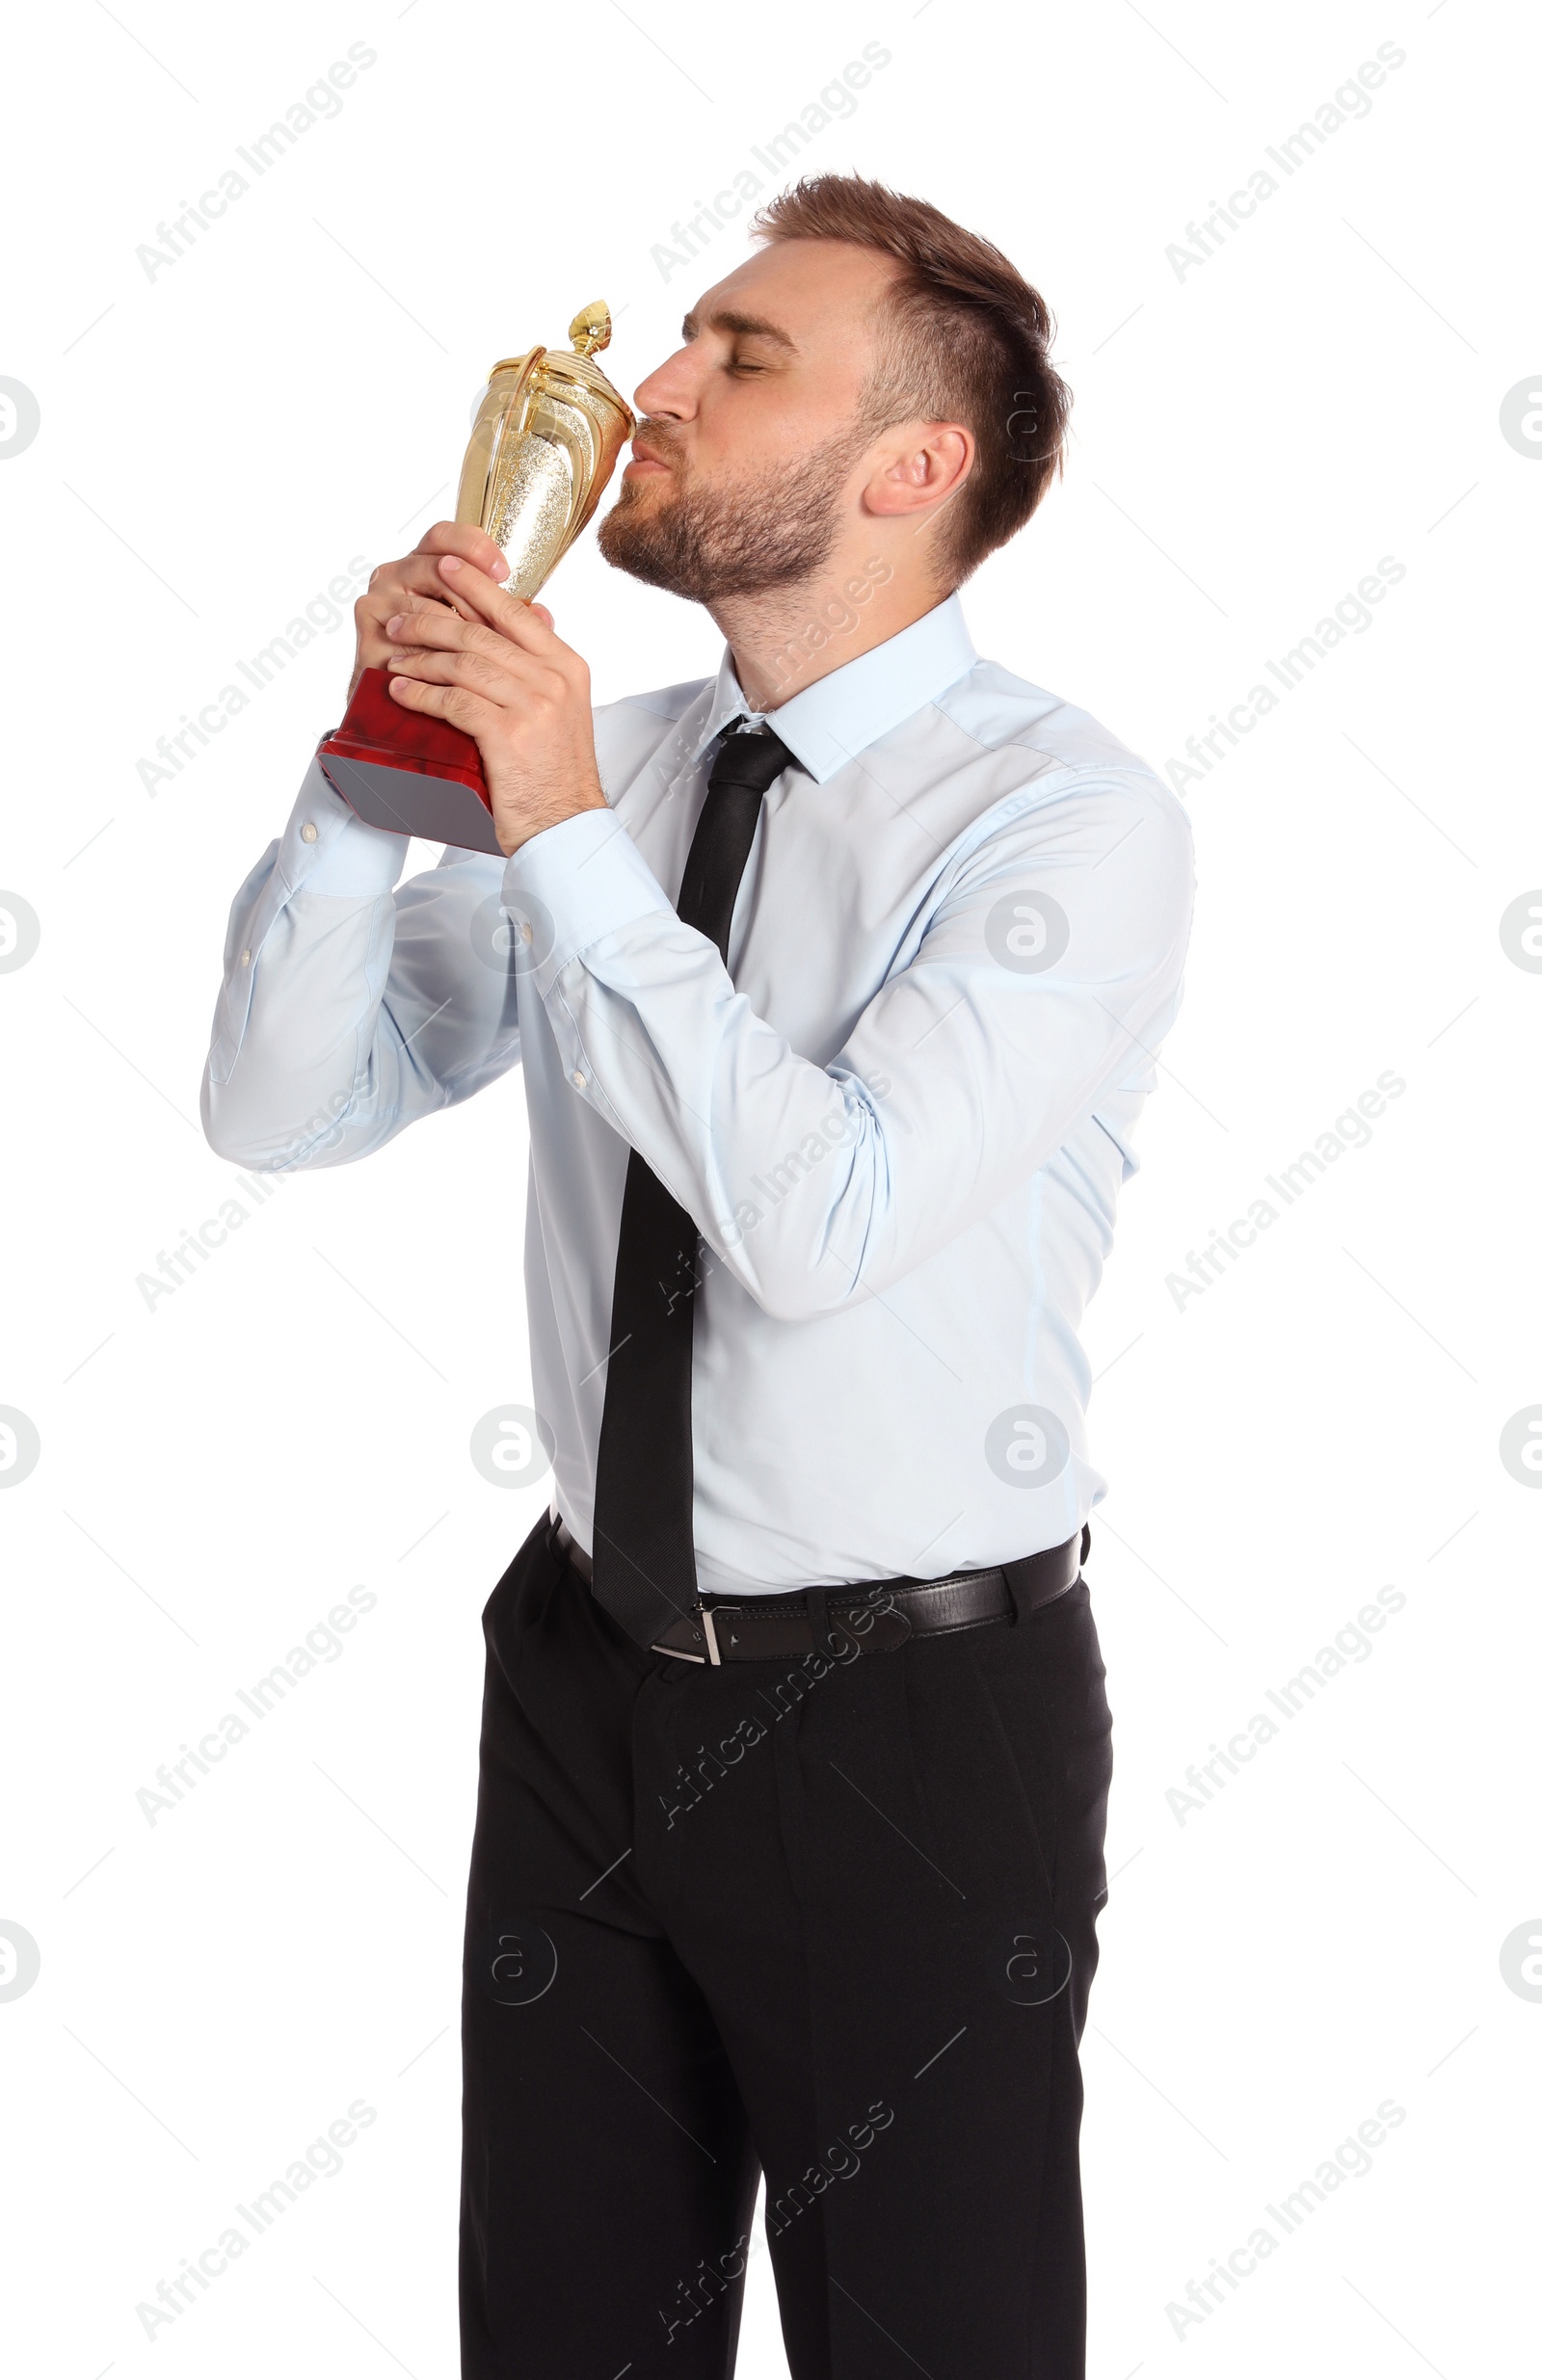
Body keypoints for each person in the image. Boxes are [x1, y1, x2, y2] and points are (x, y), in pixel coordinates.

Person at [202, 172, 1195, 2380]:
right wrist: (379, 772)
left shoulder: (1063, 822)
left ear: (910, 467)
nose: (647, 390)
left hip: (903, 1723)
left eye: (740, 357)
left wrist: (549, 823)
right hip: (581, 1662)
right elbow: (283, 1105)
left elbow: (821, 1215)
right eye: (683, 337)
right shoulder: (626, 763)